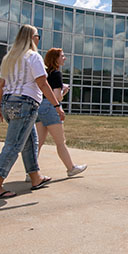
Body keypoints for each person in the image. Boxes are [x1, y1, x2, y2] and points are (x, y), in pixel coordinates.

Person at [0, 25, 61, 199]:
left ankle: (36, 178)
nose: (38, 39)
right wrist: (57, 106)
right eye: (37, 36)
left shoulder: (9, 58)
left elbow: (2, 85)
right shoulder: (33, 56)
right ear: (31, 38)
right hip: (25, 104)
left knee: (30, 141)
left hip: (8, 103)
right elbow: (43, 84)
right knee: (13, 145)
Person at [34, 47, 87, 178]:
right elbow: (57, 96)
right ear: (55, 59)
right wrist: (64, 91)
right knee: (60, 142)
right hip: (50, 107)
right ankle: (71, 168)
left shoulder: (45, 74)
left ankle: (31, 172)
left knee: (38, 142)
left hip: (39, 107)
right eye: (62, 56)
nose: (65, 58)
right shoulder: (57, 74)